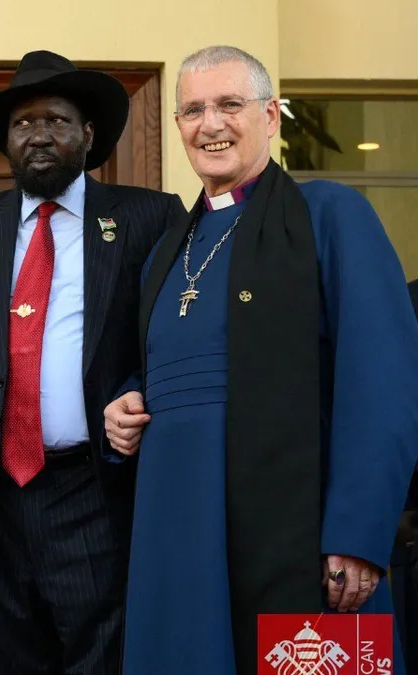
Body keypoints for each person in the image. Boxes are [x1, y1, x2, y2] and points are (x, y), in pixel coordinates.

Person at [104, 45, 418, 675]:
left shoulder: (330, 214)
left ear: (271, 116)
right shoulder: (167, 248)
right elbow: (165, 363)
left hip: (299, 536)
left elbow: (384, 381)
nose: (210, 124)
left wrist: (358, 533)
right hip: (178, 530)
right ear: (178, 126)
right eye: (193, 110)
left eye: (229, 104)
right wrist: (127, 401)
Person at [0, 50, 186, 674]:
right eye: (23, 123)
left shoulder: (149, 217)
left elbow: (178, 345)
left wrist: (138, 396)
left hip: (96, 491)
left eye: (57, 121)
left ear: (87, 135)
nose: (38, 134)